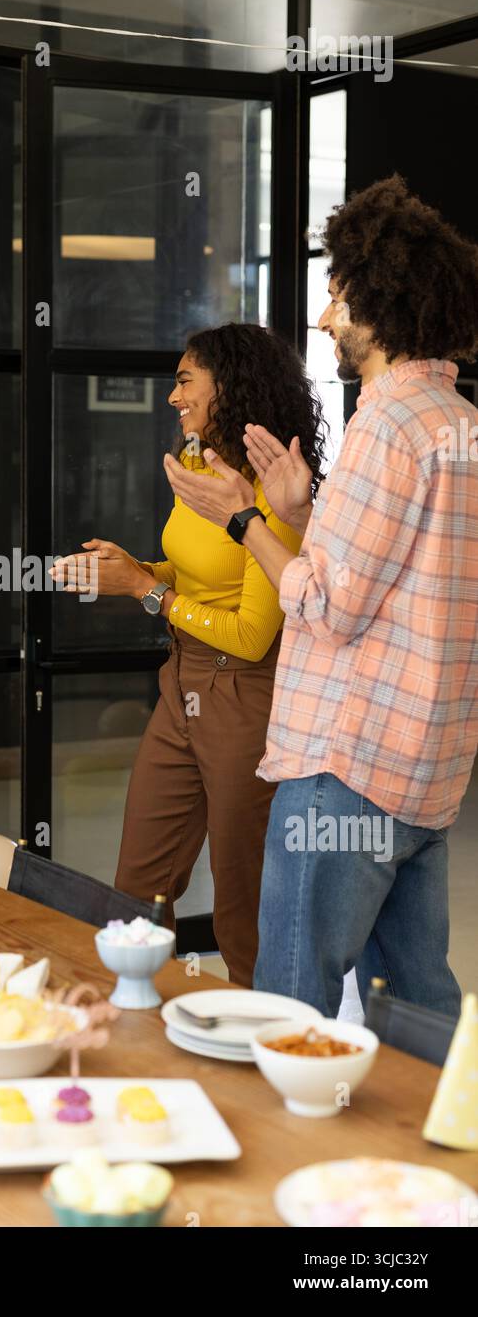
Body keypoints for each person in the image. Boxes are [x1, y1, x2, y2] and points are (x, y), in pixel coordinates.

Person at [164, 175, 478, 1015]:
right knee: (414, 1003)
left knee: (289, 1000)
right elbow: (396, 577)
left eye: (334, 293)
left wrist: (245, 521)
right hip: (427, 768)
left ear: (377, 298)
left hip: (348, 760)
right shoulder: (457, 419)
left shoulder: (383, 424)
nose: (321, 317)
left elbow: (326, 606)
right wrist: (303, 511)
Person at [53, 324, 325, 985]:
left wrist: (146, 592)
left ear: (227, 387)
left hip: (245, 696)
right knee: (136, 888)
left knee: (241, 902)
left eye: (184, 381)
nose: (172, 396)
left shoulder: (276, 490)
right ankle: (134, 1025)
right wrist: (132, 571)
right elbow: (192, 574)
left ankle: (260, 1049)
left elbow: (252, 634)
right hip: (182, 683)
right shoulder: (198, 463)